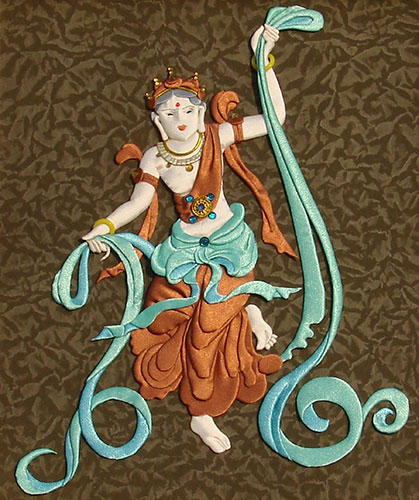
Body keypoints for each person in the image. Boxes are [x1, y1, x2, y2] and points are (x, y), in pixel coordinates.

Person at [82, 24, 296, 454]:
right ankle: (244, 320)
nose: (179, 118)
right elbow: (138, 202)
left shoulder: (216, 136)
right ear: (156, 122)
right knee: (172, 319)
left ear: (200, 113)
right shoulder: (155, 157)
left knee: (209, 323)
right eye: (168, 113)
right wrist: (104, 227)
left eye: (186, 110)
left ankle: (204, 403)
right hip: (182, 251)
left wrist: (264, 60)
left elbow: (276, 118)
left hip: (228, 244)